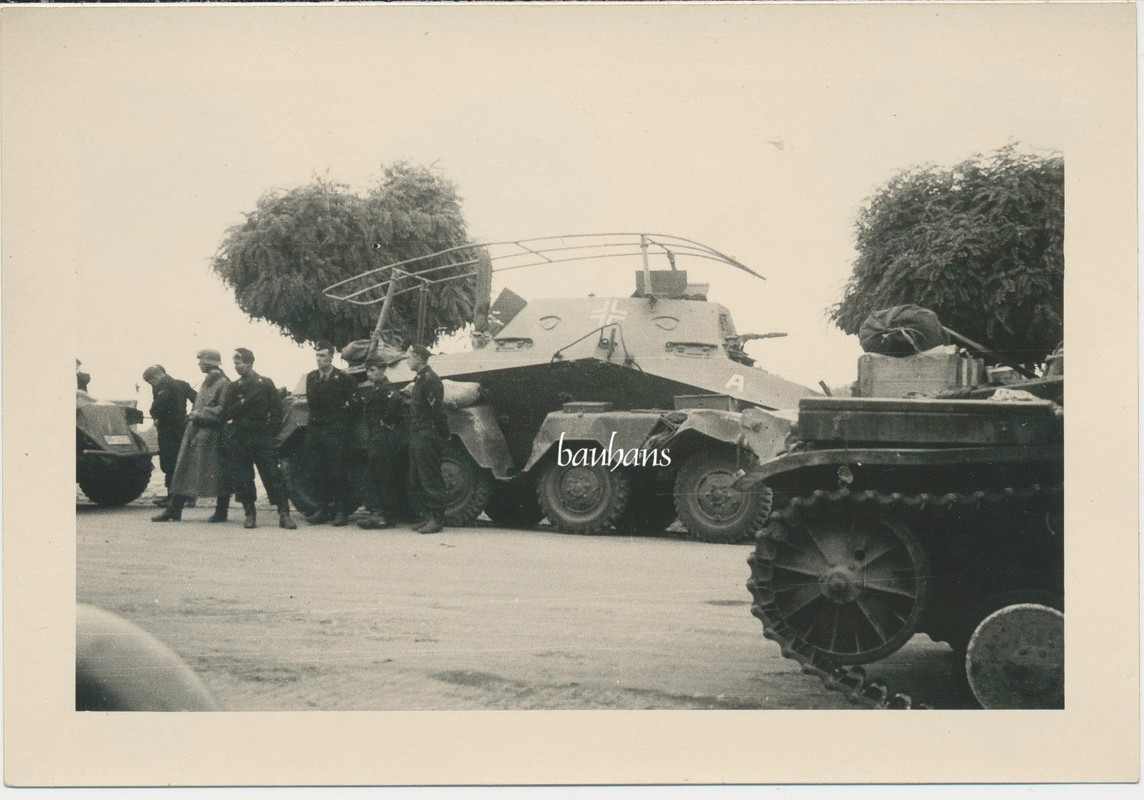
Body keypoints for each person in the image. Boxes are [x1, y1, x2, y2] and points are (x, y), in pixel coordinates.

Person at [151, 350, 233, 523]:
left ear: (210, 362)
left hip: (213, 434)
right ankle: (175, 509)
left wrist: (199, 413)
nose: (199, 364)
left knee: (219, 472)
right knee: (184, 470)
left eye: (201, 361)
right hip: (197, 432)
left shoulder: (222, 383)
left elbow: (223, 409)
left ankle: (221, 511)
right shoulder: (209, 381)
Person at [221, 348, 297, 530]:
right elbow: (225, 412)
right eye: (234, 363)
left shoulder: (265, 384)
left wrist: (270, 433)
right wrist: (241, 404)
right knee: (243, 477)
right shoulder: (233, 387)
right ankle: (250, 513)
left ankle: (284, 513)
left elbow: (277, 412)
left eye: (239, 363)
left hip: (262, 437)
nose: (236, 367)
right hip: (241, 437)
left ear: (249, 363)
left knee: (273, 475)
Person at [303, 341, 358, 526]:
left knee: (337, 470)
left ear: (331, 357)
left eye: (323, 356)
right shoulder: (311, 377)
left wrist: (341, 423)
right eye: (317, 356)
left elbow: (353, 405)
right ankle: (322, 509)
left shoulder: (343, 378)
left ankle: (341, 511)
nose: (319, 360)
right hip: (316, 428)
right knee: (316, 469)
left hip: (335, 429)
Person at [356, 356, 408, 530]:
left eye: (373, 370)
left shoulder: (388, 390)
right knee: (379, 475)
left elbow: (395, 408)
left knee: (377, 475)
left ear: (383, 370)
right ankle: (386, 515)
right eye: (368, 370)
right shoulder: (378, 389)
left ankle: (380, 515)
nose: (369, 374)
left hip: (382, 438)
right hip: (377, 437)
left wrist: (384, 423)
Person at [406, 344, 448, 534]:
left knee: (430, 477)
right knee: (417, 478)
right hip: (418, 433)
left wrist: (441, 434)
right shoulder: (420, 379)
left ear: (418, 358)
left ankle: (436, 518)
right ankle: (427, 517)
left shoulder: (430, 379)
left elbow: (437, 411)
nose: (407, 360)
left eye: (409, 357)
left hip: (427, 434)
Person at [142, 365, 197, 507]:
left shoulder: (164, 384)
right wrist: (192, 414)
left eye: (150, 382)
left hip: (169, 429)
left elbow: (159, 405)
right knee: (182, 460)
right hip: (182, 427)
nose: (152, 385)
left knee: (170, 461)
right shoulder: (181, 384)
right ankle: (189, 496)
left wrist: (154, 414)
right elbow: (196, 397)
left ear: (156, 377)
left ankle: (172, 497)